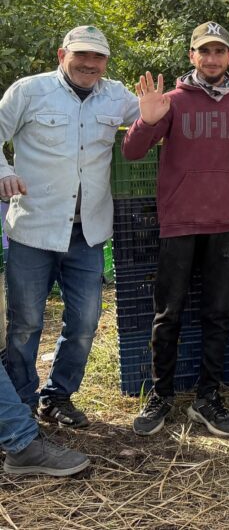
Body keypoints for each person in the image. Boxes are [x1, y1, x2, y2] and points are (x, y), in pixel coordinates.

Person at [123, 22, 229, 437]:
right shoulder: (170, 102)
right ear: (192, 56)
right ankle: (162, 396)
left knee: (218, 314)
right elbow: (132, 152)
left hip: (226, 223)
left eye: (219, 51)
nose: (212, 58)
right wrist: (147, 120)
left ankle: (208, 399)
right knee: (168, 315)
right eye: (204, 51)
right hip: (180, 222)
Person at [0, 25, 139, 427]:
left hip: (88, 233)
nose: (89, 64)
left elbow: (152, 121)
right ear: (62, 54)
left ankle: (57, 397)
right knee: (26, 324)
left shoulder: (117, 96)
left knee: (84, 322)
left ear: (106, 62)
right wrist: (4, 171)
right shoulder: (28, 91)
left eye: (98, 57)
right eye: (81, 55)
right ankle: (22, 404)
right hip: (34, 229)